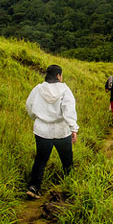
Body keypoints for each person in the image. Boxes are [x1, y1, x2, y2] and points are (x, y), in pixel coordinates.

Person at [25, 65, 78, 199]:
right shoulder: (65, 90)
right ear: (58, 76)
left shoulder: (38, 89)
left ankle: (34, 187)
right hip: (62, 131)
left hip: (42, 131)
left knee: (41, 160)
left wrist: (35, 118)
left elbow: (29, 106)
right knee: (67, 160)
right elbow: (69, 110)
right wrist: (73, 128)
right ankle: (70, 186)